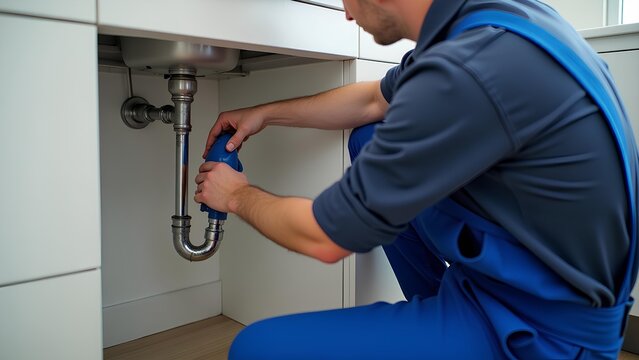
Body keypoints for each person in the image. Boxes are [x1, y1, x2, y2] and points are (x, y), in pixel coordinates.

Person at [194, 0, 638, 358]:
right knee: (370, 138)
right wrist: (266, 113)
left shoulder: (472, 67)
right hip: (519, 279)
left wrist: (236, 195)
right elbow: (372, 100)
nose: (346, 12)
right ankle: (431, 316)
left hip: (543, 332)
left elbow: (325, 237)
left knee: (256, 348)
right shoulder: (489, 21)